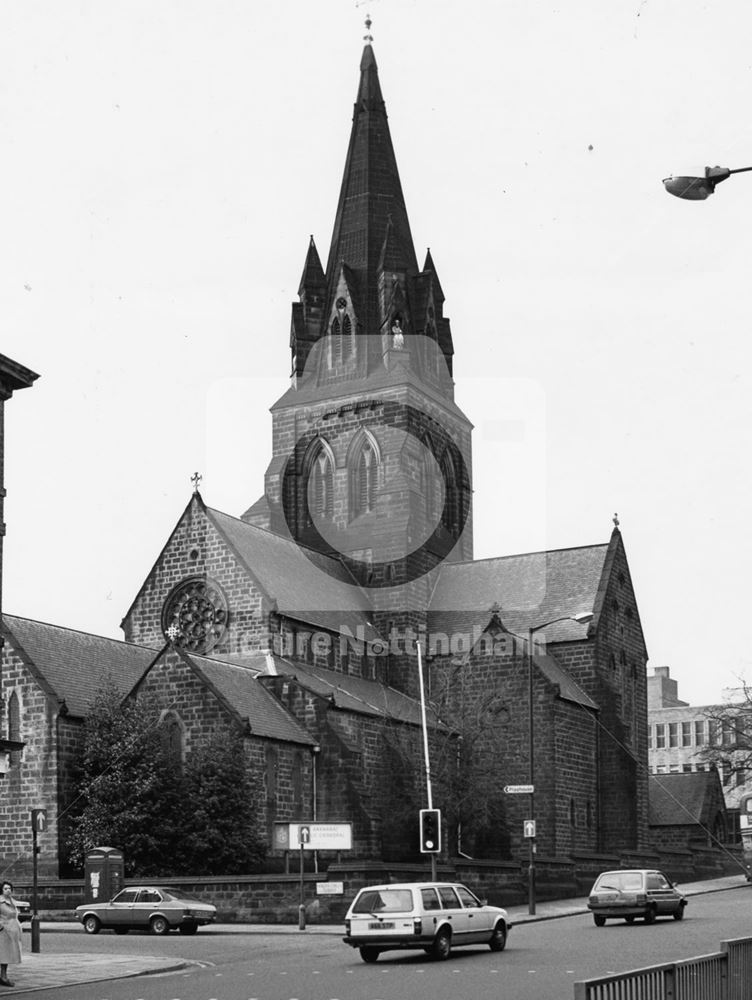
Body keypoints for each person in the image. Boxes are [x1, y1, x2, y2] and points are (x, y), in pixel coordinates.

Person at [0, 880, 22, 987]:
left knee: (6, 956)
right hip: (3, 932)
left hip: (11, 932)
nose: (8, 890)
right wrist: (1, 926)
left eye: (9, 888)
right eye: (5, 889)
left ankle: (3, 976)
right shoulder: (0, 902)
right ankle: (3, 977)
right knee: (3, 955)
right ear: (1, 890)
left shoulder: (12, 901)